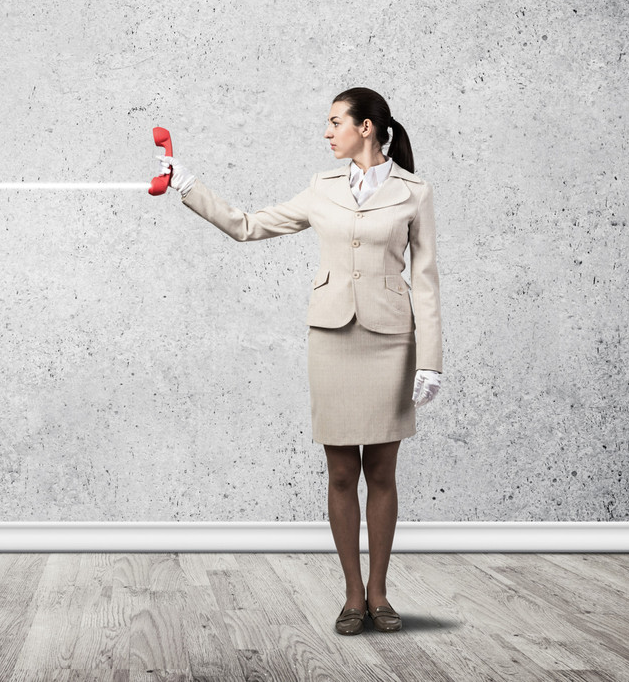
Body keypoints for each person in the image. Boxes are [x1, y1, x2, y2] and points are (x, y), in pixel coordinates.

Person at [159, 87, 442, 636]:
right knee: (341, 471)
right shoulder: (322, 188)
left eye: (336, 122)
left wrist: (430, 359)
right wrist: (186, 184)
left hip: (391, 339)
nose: (327, 131)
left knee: (382, 471)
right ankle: (352, 595)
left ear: (366, 127)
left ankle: (381, 595)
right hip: (332, 336)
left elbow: (425, 280)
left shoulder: (415, 192)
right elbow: (249, 225)